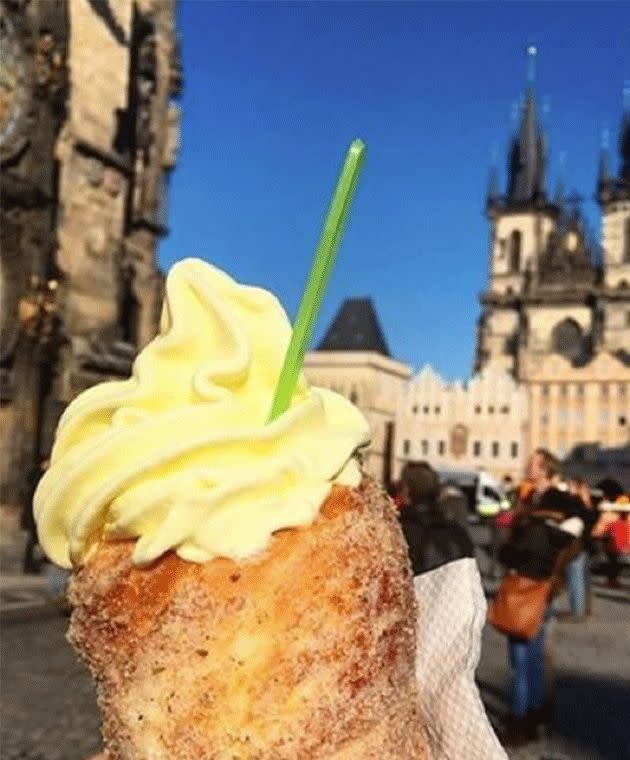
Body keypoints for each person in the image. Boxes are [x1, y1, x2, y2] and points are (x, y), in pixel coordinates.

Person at [398, 461, 507, 760]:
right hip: (447, 638)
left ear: (406, 492)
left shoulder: (400, 530)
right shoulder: (457, 531)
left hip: (408, 637)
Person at [498, 448, 583, 747]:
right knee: (531, 654)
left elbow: (568, 540)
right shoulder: (530, 497)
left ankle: (521, 722)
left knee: (522, 657)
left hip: (532, 583)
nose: (525, 465)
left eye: (531, 463)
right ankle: (535, 715)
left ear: (545, 469)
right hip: (533, 581)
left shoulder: (555, 502)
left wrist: (548, 566)